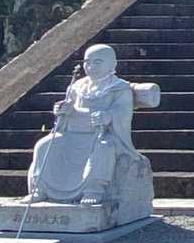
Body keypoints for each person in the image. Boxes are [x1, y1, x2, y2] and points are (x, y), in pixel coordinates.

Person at [26, 44, 141, 206]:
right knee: (44, 145)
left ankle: (94, 188)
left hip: (101, 134)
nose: (91, 66)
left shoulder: (120, 88)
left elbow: (122, 113)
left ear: (112, 64)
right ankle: (40, 188)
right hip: (73, 133)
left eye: (97, 62)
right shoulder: (77, 87)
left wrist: (108, 116)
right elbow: (68, 108)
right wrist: (62, 110)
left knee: (104, 148)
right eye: (87, 62)